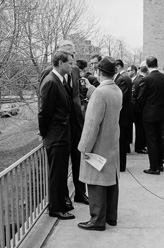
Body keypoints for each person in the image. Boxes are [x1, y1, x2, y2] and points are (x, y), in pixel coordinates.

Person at [39, 40, 90, 212]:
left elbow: (76, 95)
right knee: (60, 166)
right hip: (59, 127)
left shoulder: (74, 69)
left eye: (74, 54)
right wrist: (44, 133)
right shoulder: (49, 74)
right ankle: (63, 199)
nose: (73, 58)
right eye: (70, 54)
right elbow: (45, 104)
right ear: (60, 55)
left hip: (76, 123)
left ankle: (80, 193)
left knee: (78, 160)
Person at [77, 56, 123, 231]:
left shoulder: (99, 93)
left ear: (98, 72)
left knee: (96, 182)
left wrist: (84, 147)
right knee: (111, 181)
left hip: (98, 144)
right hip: (112, 141)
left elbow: (91, 125)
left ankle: (97, 220)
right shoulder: (116, 90)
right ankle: (111, 216)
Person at [38, 51, 75, 220]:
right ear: (60, 63)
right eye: (69, 63)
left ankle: (61, 203)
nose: (71, 66)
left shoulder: (59, 81)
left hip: (61, 135)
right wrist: (45, 135)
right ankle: (55, 208)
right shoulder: (51, 82)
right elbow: (44, 113)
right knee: (56, 174)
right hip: (56, 136)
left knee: (60, 173)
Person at [136, 56, 164, 175]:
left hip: (149, 115)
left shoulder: (146, 79)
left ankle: (154, 167)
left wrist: (139, 110)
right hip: (161, 113)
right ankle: (160, 164)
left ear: (147, 65)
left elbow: (141, 99)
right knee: (159, 139)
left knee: (151, 141)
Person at [115, 59, 133, 172]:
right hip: (125, 115)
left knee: (121, 142)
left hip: (123, 116)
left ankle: (121, 165)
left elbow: (120, 98)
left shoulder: (121, 79)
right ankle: (120, 164)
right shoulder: (124, 77)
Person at [133, 61, 148, 154]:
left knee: (139, 128)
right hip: (140, 109)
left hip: (137, 108)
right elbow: (141, 96)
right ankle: (140, 147)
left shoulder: (137, 79)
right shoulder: (142, 80)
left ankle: (139, 146)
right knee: (140, 129)